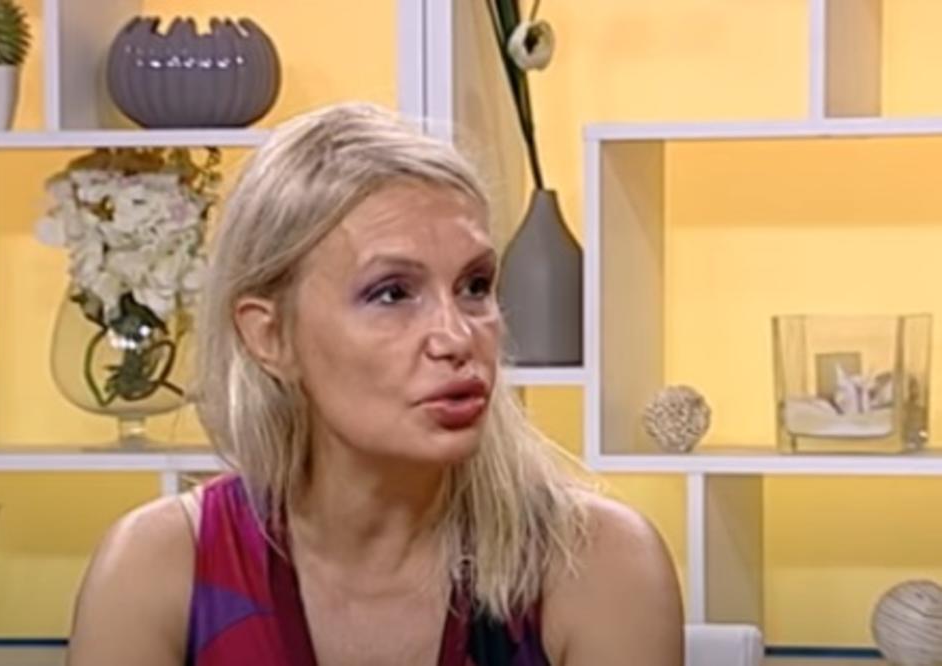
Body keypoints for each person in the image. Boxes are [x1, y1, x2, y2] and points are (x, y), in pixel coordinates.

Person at [65, 102, 684, 666]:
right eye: (391, 293)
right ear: (269, 336)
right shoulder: (155, 571)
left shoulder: (599, 566)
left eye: (474, 287)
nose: (457, 336)